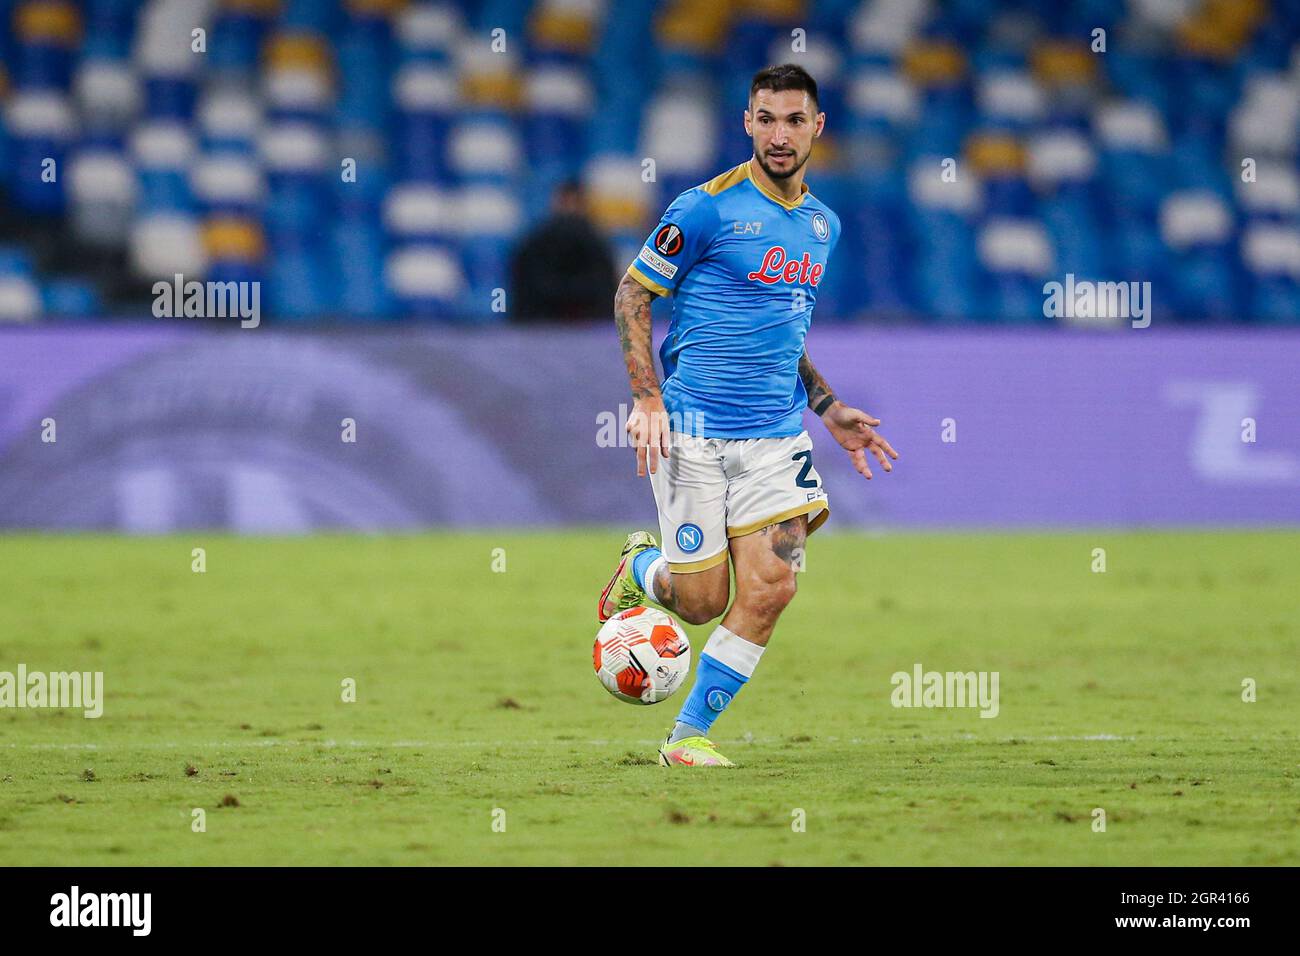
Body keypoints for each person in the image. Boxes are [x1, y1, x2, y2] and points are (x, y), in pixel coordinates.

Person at [598, 64, 899, 767]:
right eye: (766, 118)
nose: (780, 133)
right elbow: (631, 297)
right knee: (701, 602)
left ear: (818, 127)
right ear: (747, 123)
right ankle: (644, 569)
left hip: (777, 440)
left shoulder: (823, 224)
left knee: (775, 584)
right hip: (694, 431)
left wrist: (826, 405)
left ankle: (687, 738)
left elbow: (782, 329)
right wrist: (647, 400)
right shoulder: (704, 208)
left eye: (794, 119)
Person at [509, 180, 616, 321]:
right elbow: (525, 293)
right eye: (566, 203)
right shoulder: (534, 245)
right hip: (540, 330)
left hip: (589, 329)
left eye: (575, 204)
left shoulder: (598, 246)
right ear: (555, 204)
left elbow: (605, 293)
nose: (570, 210)